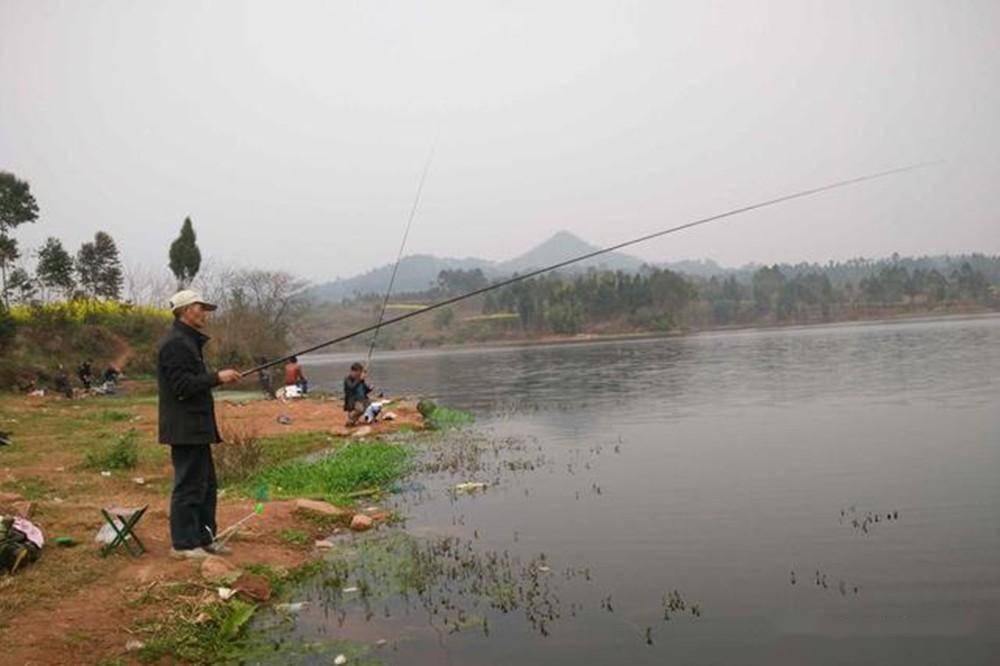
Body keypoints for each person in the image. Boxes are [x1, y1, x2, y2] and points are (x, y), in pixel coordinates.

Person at [157, 289, 241, 560]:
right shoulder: (175, 343)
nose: (204, 313)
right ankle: (183, 545)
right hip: (185, 429)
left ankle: (205, 539)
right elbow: (181, 387)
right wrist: (217, 377)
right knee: (188, 485)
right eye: (199, 307)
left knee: (206, 485)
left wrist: (216, 378)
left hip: (197, 427)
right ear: (185, 311)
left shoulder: (189, 342)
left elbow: (192, 382)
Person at [343, 361, 373, 426]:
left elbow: (364, 390)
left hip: (362, 399)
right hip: (353, 401)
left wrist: (369, 389)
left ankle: (354, 420)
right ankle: (351, 418)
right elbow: (351, 388)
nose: (359, 374)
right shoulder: (347, 379)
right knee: (360, 409)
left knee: (370, 406)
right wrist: (359, 379)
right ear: (353, 371)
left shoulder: (360, 380)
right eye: (358, 372)